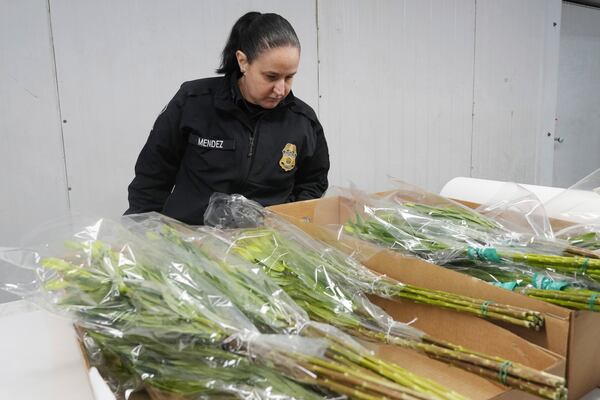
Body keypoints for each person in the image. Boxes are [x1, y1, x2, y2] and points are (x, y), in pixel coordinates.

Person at [125, 11, 329, 224]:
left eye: (289, 77)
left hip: (263, 247)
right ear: (243, 62)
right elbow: (153, 174)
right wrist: (142, 229)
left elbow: (313, 182)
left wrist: (288, 224)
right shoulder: (193, 102)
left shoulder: (302, 121)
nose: (280, 89)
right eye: (271, 76)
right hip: (192, 241)